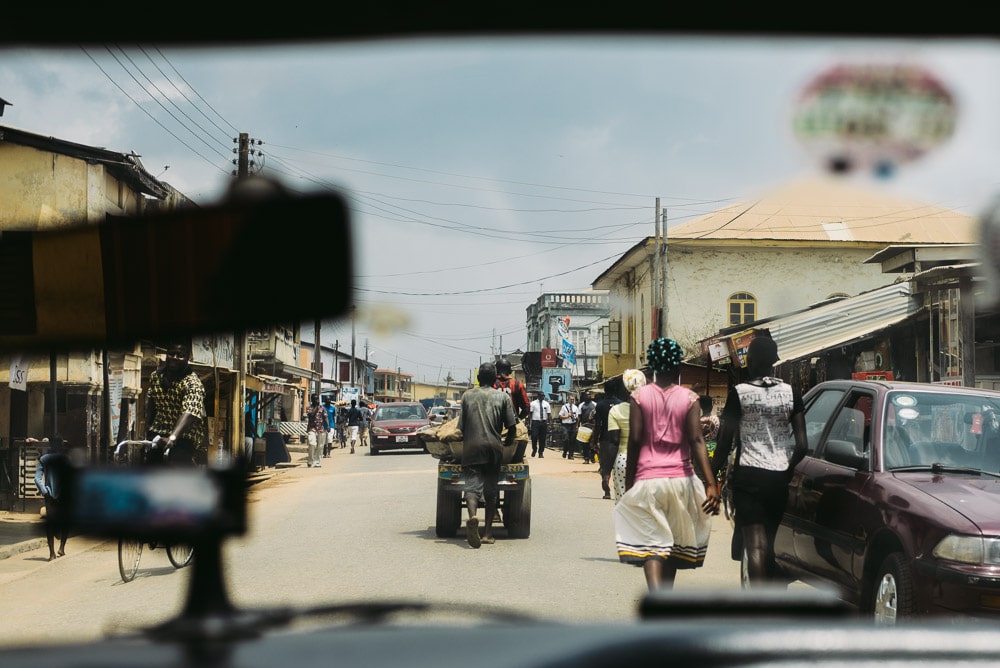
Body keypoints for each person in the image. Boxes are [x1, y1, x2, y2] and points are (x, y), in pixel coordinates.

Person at [613, 338, 720, 591]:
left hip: (648, 480)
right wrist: (711, 483)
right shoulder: (689, 398)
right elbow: (696, 440)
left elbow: (636, 441)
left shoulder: (639, 396)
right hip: (681, 480)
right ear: (678, 367)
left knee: (652, 543)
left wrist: (630, 482)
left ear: (652, 366)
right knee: (672, 542)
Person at [712, 335, 807, 588]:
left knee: (754, 544)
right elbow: (803, 444)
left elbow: (724, 443)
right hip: (778, 480)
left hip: (749, 477)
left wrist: (710, 476)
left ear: (750, 362)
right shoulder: (792, 393)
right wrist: (786, 469)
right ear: (774, 363)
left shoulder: (739, 394)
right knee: (769, 542)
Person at [458, 362, 517, 548]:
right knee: (491, 491)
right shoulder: (502, 397)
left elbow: (461, 427)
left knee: (472, 487)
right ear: (494, 380)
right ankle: (487, 534)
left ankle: (473, 516)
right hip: (493, 448)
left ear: (477, 379)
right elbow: (512, 426)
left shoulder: (467, 396)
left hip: (471, 448)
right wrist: (508, 442)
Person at [145, 341, 206, 467]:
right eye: (171, 354)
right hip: (157, 433)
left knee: (177, 466)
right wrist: (148, 427)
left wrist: (172, 438)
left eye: (180, 355)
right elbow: (151, 402)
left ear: (188, 359)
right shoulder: (155, 376)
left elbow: (189, 413)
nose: (175, 358)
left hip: (183, 437)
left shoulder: (193, 383)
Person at [603, 369, 647, 502]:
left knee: (623, 504)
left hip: (623, 460)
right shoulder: (651, 409)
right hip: (647, 461)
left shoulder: (616, 410)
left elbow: (613, 442)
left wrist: (606, 470)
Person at [32, 436, 71, 561]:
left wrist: (45, 491)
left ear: (50, 445)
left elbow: (37, 478)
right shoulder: (66, 459)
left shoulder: (44, 459)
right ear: (60, 445)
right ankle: (62, 548)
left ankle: (51, 554)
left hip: (50, 496)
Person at [493, 358, 531, 461]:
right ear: (510, 371)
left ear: (496, 370)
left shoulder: (491, 384)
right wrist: (517, 419)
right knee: (523, 437)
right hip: (512, 424)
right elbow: (527, 408)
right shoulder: (518, 384)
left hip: (491, 424)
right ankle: (516, 459)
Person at [593, 377, 625, 499]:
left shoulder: (600, 405)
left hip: (605, 438)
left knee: (605, 464)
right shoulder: (621, 404)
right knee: (617, 463)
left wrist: (594, 441)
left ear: (605, 391)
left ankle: (606, 481)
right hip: (619, 438)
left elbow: (597, 425)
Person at [304, 395, 329, 468]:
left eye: (317, 399)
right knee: (312, 444)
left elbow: (325, 417)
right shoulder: (309, 408)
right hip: (312, 428)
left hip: (320, 429)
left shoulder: (322, 408)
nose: (317, 401)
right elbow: (311, 415)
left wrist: (328, 426)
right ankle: (310, 460)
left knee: (320, 446)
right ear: (312, 400)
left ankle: (317, 461)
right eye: (315, 399)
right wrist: (316, 407)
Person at [528, 391, 551, 458]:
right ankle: (534, 449)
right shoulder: (533, 403)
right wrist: (528, 423)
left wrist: (550, 423)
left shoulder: (546, 404)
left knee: (542, 438)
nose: (542, 397)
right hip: (535, 422)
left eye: (543, 396)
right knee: (534, 437)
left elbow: (549, 414)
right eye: (541, 396)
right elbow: (530, 414)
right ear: (538, 396)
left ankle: (541, 452)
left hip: (543, 422)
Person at [578, 391, 598, 463]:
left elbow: (598, 415)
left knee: (592, 442)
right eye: (586, 395)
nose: (588, 396)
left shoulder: (595, 404)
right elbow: (579, 417)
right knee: (585, 443)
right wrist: (578, 426)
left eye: (589, 395)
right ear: (584, 397)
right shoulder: (581, 405)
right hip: (584, 427)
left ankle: (592, 457)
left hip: (593, 426)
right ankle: (586, 458)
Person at [559, 394, 580, 459]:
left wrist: (577, 425)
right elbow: (560, 416)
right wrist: (567, 416)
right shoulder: (564, 407)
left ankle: (571, 454)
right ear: (568, 400)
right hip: (566, 425)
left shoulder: (575, 407)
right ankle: (565, 451)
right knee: (566, 439)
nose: (572, 400)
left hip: (573, 425)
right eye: (571, 399)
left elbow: (577, 417)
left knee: (572, 440)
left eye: (573, 399)